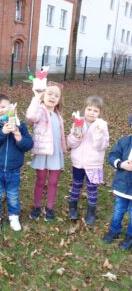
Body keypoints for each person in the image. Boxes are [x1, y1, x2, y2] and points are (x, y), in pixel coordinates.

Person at [0, 93, 33, 234]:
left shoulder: (20, 125)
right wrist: (2, 132)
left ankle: (14, 217)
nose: (2, 110)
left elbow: (28, 145)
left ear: (12, 109)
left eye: (5, 107)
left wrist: (18, 136)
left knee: (13, 195)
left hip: (13, 169)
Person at [26, 81, 66, 221]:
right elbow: (31, 117)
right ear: (44, 95)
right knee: (40, 181)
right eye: (49, 93)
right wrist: (36, 97)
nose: (53, 97)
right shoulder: (40, 111)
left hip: (56, 154)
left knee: (53, 182)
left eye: (56, 95)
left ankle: (49, 208)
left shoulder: (58, 115)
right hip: (43, 153)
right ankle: (37, 206)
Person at [67, 96, 109, 225]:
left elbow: (101, 146)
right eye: (89, 109)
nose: (91, 112)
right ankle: (72, 208)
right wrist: (76, 137)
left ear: (100, 113)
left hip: (94, 164)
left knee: (92, 188)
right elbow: (70, 143)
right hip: (78, 163)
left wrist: (98, 135)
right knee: (76, 185)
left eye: (95, 110)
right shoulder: (77, 122)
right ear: (84, 109)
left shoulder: (102, 126)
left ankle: (91, 212)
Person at [102, 114, 132, 250]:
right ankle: (114, 230)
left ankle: (130, 235)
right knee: (118, 210)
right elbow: (112, 156)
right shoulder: (124, 142)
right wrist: (120, 164)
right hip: (122, 185)